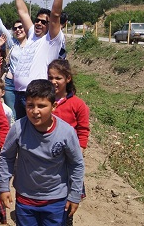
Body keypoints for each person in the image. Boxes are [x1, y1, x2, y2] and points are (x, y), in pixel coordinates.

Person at [0, 79, 85, 226]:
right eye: (30, 105)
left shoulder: (66, 132)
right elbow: (6, 157)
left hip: (56, 200)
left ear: (54, 106)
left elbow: (76, 164)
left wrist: (75, 195)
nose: (35, 111)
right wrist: (3, 186)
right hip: (25, 199)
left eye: (42, 106)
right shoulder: (19, 128)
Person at [12, 0, 69, 119]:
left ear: (49, 25)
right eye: (37, 20)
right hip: (19, 93)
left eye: (44, 22)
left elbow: (56, 14)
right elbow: (22, 11)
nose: (38, 23)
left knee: (35, 135)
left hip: (36, 96)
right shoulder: (31, 35)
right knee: (23, 135)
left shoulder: (52, 40)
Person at [48, 59, 90, 226]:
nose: (53, 82)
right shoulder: (45, 101)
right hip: (48, 157)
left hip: (67, 159)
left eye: (58, 78)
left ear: (68, 79)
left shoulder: (77, 104)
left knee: (67, 200)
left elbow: (83, 130)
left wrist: (78, 152)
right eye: (50, 77)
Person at [0, 0, 29, 116]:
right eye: (15, 28)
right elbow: (0, 24)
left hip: (26, 85)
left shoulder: (33, 43)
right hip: (10, 84)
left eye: (21, 27)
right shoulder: (13, 43)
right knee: (13, 115)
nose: (18, 30)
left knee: (27, 115)